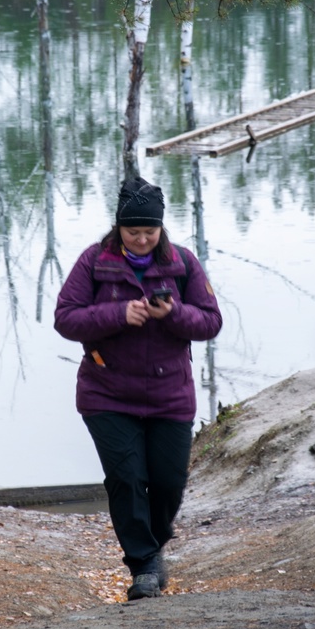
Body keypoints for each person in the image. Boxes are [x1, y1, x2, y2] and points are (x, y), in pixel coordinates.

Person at [54, 177, 222, 601]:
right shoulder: (94, 261)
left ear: (162, 228)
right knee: (127, 479)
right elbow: (65, 318)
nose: (143, 239)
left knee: (168, 483)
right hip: (106, 393)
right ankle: (144, 566)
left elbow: (210, 322)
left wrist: (173, 313)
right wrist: (116, 314)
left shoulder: (183, 263)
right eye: (134, 232)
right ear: (119, 228)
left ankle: (155, 542)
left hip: (170, 395)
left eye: (150, 231)